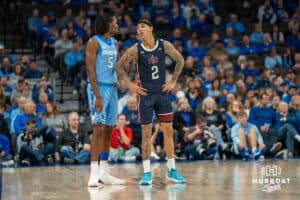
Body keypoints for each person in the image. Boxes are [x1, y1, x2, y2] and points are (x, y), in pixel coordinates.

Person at [116, 19, 186, 185]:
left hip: (162, 94)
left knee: (168, 131)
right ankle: (147, 172)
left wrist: (174, 80)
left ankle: (172, 169)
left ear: (151, 29)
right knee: (146, 133)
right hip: (146, 95)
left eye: (143, 26)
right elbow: (119, 66)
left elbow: (180, 60)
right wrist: (131, 84)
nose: (140, 29)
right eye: (138, 27)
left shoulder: (164, 45)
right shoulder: (135, 49)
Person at [86, 13, 125, 187]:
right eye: (115, 22)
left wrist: (119, 80)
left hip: (111, 88)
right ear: (107, 24)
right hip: (98, 88)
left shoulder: (114, 43)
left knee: (109, 129)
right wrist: (97, 96)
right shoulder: (93, 42)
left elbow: (114, 66)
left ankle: (104, 172)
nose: (117, 25)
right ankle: (93, 174)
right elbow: (90, 70)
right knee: (98, 129)